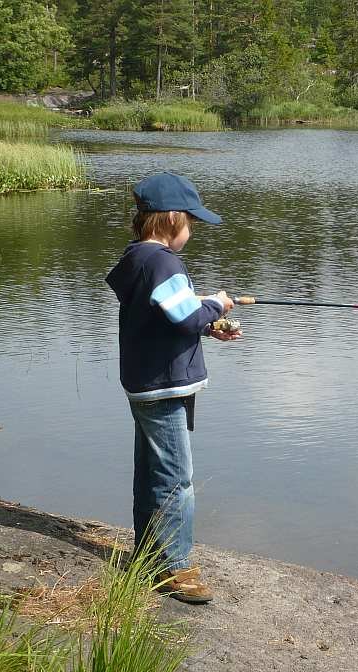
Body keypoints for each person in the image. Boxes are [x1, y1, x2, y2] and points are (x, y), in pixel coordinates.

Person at [105, 172, 241, 604]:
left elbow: (168, 317)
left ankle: (147, 556)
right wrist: (216, 305)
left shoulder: (137, 258)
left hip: (144, 383)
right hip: (164, 387)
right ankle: (174, 568)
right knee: (176, 480)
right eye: (191, 222)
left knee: (151, 474)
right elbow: (184, 318)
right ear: (170, 221)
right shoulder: (165, 262)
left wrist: (208, 323)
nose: (193, 230)